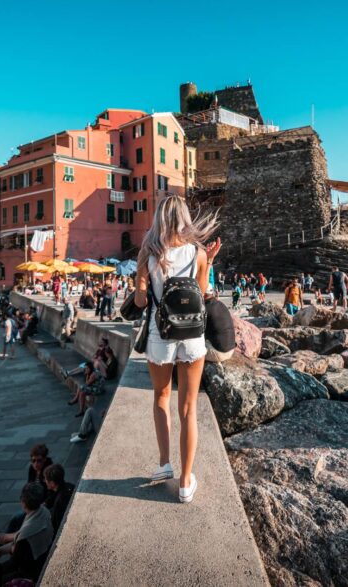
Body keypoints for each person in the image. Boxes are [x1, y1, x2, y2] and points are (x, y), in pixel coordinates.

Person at [133, 194, 217, 504]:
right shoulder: (199, 252)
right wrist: (207, 264)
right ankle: (185, 483)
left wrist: (143, 281)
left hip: (160, 335)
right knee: (189, 409)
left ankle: (164, 463)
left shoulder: (148, 252)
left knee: (161, 398)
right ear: (185, 218)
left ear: (158, 219)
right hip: (193, 336)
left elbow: (141, 302)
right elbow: (204, 293)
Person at [0, 483, 53, 581]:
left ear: (23, 502)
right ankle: (2, 539)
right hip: (42, 557)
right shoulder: (45, 512)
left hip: (32, 571)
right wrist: (1, 550)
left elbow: (15, 563)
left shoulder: (25, 536)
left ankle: (2, 538)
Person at [42, 464, 75, 534]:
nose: (45, 481)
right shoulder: (70, 486)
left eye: (46, 479)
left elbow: (57, 525)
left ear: (52, 483)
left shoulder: (59, 502)